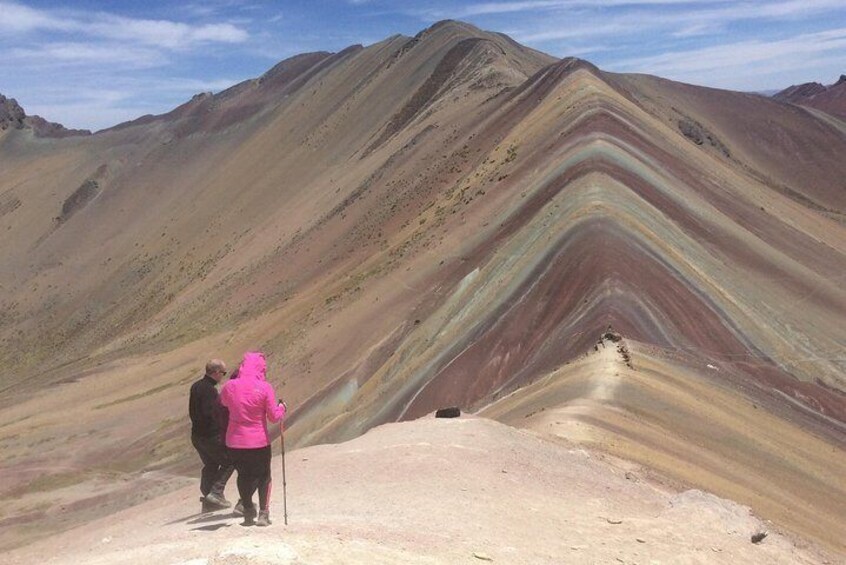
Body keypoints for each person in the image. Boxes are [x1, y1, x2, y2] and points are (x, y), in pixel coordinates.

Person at [220, 351, 286, 526]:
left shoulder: (229, 386)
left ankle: (248, 509)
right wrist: (282, 408)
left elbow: (224, 403)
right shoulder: (265, 388)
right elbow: (273, 416)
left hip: (234, 441)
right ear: (261, 368)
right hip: (258, 441)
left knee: (243, 475)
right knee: (264, 476)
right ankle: (264, 513)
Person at [189, 359, 235, 511]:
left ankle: (208, 499)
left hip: (197, 435)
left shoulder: (196, 386)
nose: (223, 376)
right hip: (210, 435)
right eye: (223, 373)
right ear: (215, 372)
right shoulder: (209, 390)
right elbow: (210, 414)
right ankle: (215, 493)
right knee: (230, 460)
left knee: (211, 464)